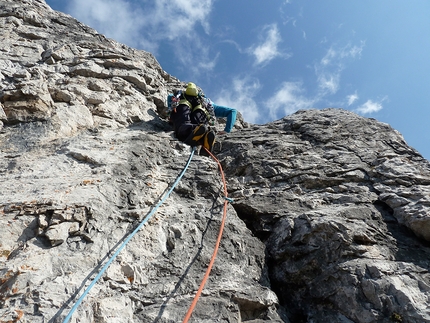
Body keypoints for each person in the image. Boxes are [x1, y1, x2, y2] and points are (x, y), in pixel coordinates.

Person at [169, 82, 216, 155]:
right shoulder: (203, 100)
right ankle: (204, 137)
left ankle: (190, 131)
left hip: (183, 123)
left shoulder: (181, 95)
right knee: (200, 113)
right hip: (200, 108)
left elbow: (170, 98)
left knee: (183, 109)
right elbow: (230, 111)